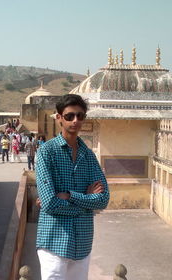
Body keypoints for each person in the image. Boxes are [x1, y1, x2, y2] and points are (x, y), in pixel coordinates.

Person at [35, 94, 109, 280]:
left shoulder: (88, 156)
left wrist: (68, 196)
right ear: (59, 118)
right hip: (54, 242)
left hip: (82, 243)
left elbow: (103, 199)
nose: (75, 120)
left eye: (80, 116)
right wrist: (86, 200)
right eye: (69, 116)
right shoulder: (47, 152)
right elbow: (50, 203)